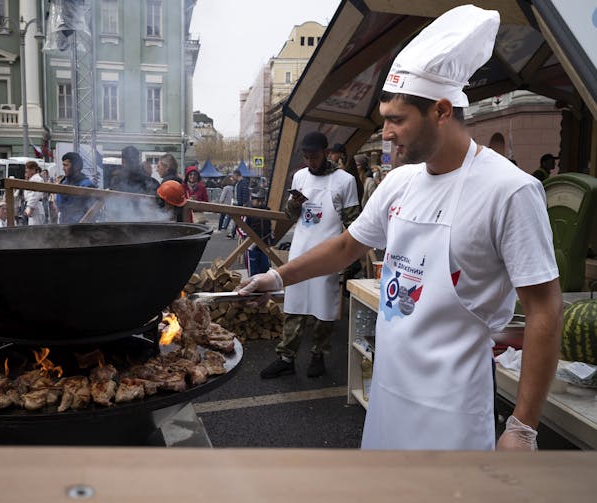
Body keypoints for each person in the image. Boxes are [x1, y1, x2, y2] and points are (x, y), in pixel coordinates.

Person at [240, 5, 562, 451]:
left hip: (453, 408)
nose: (386, 133)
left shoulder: (510, 191)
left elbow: (545, 310)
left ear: (442, 112)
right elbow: (347, 246)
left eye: (396, 120)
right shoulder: (401, 181)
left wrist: (523, 427)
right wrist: (277, 277)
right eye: (384, 119)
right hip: (389, 393)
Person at [259, 131, 359, 380]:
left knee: (324, 309)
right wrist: (294, 204)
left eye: (313, 157)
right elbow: (291, 215)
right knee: (294, 305)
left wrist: (351, 256)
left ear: (326, 153)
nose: (309, 162)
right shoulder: (300, 176)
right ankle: (286, 358)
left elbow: (354, 222)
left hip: (329, 255)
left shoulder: (345, 181)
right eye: (305, 157)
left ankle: (318, 355)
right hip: (300, 250)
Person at [56, 152, 95, 224]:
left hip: (80, 227)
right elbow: (59, 205)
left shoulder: (87, 185)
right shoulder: (63, 182)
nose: (63, 168)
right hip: (64, 224)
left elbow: (92, 210)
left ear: (76, 166)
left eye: (66, 165)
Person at [243, 191, 274, 276]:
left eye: (261, 200)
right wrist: (247, 237)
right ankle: (253, 286)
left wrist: (271, 240)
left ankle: (263, 286)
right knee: (253, 269)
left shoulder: (267, 210)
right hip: (252, 244)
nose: (259, 202)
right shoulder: (248, 211)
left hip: (264, 243)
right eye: (255, 200)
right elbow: (243, 226)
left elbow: (269, 226)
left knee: (265, 268)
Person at [226, 167, 250, 238]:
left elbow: (244, 194)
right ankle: (233, 232)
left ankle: (234, 232)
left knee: (238, 219)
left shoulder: (243, 183)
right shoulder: (239, 183)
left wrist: (244, 203)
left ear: (237, 175)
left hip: (241, 204)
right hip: (238, 203)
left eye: (233, 176)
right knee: (237, 219)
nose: (233, 177)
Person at [22, 161, 46, 225]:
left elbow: (35, 195)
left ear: (33, 169)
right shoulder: (32, 179)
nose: (26, 171)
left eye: (27, 169)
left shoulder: (38, 179)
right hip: (32, 206)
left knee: (35, 230)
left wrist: (30, 207)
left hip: (35, 207)